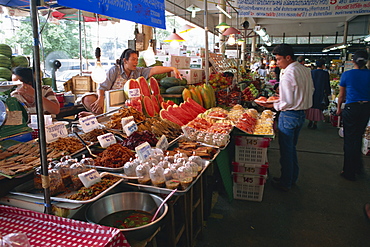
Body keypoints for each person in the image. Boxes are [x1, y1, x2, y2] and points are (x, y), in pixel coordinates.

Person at [256, 44, 314, 191]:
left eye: (279, 59)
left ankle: (285, 182)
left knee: (286, 151)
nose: (277, 63)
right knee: (291, 148)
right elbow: (310, 90)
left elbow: (287, 102)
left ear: (288, 57)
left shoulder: (288, 73)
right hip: (301, 115)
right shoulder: (304, 70)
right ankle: (292, 177)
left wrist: (272, 105)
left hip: (289, 115)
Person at [83, 48, 182, 115]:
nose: (136, 62)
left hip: (129, 103)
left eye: (137, 59)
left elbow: (154, 69)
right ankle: (95, 115)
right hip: (111, 102)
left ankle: (93, 116)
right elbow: (103, 87)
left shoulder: (138, 71)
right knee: (88, 99)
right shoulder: (114, 70)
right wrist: (100, 99)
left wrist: (172, 68)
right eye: (133, 59)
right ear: (125, 60)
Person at [336, 50, 370, 181]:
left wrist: (339, 108)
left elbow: (341, 95)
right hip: (366, 108)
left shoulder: (347, 75)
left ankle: (349, 171)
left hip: (352, 108)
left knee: (349, 140)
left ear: (353, 61)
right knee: (358, 137)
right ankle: (358, 167)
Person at [306, 59, 331, 130]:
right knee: (318, 108)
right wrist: (328, 93)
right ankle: (315, 123)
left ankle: (310, 121)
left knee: (311, 106)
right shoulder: (325, 73)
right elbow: (327, 84)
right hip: (320, 93)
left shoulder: (311, 72)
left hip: (311, 92)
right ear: (323, 65)